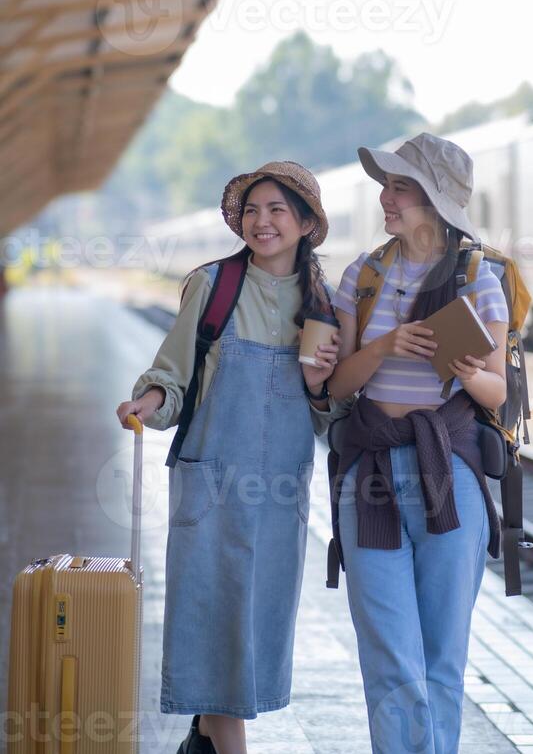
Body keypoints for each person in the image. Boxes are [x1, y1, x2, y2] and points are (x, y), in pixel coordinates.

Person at [116, 161, 345, 754]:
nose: (261, 222)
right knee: (211, 613)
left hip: (279, 491)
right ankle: (222, 742)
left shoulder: (325, 303)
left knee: (257, 618)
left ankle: (205, 738)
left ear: (304, 223)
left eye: (276, 211)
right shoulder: (212, 284)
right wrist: (147, 401)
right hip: (210, 481)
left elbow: (329, 412)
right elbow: (172, 374)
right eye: (252, 210)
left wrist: (323, 384)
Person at [326, 133, 509, 754]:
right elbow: (335, 388)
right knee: (389, 659)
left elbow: (496, 393)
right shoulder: (364, 273)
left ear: (433, 198)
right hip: (370, 472)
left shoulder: (482, 276)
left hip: (448, 472)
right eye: (387, 185)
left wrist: (464, 369)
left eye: (400, 186)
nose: (385, 197)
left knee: (440, 658)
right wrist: (384, 346)